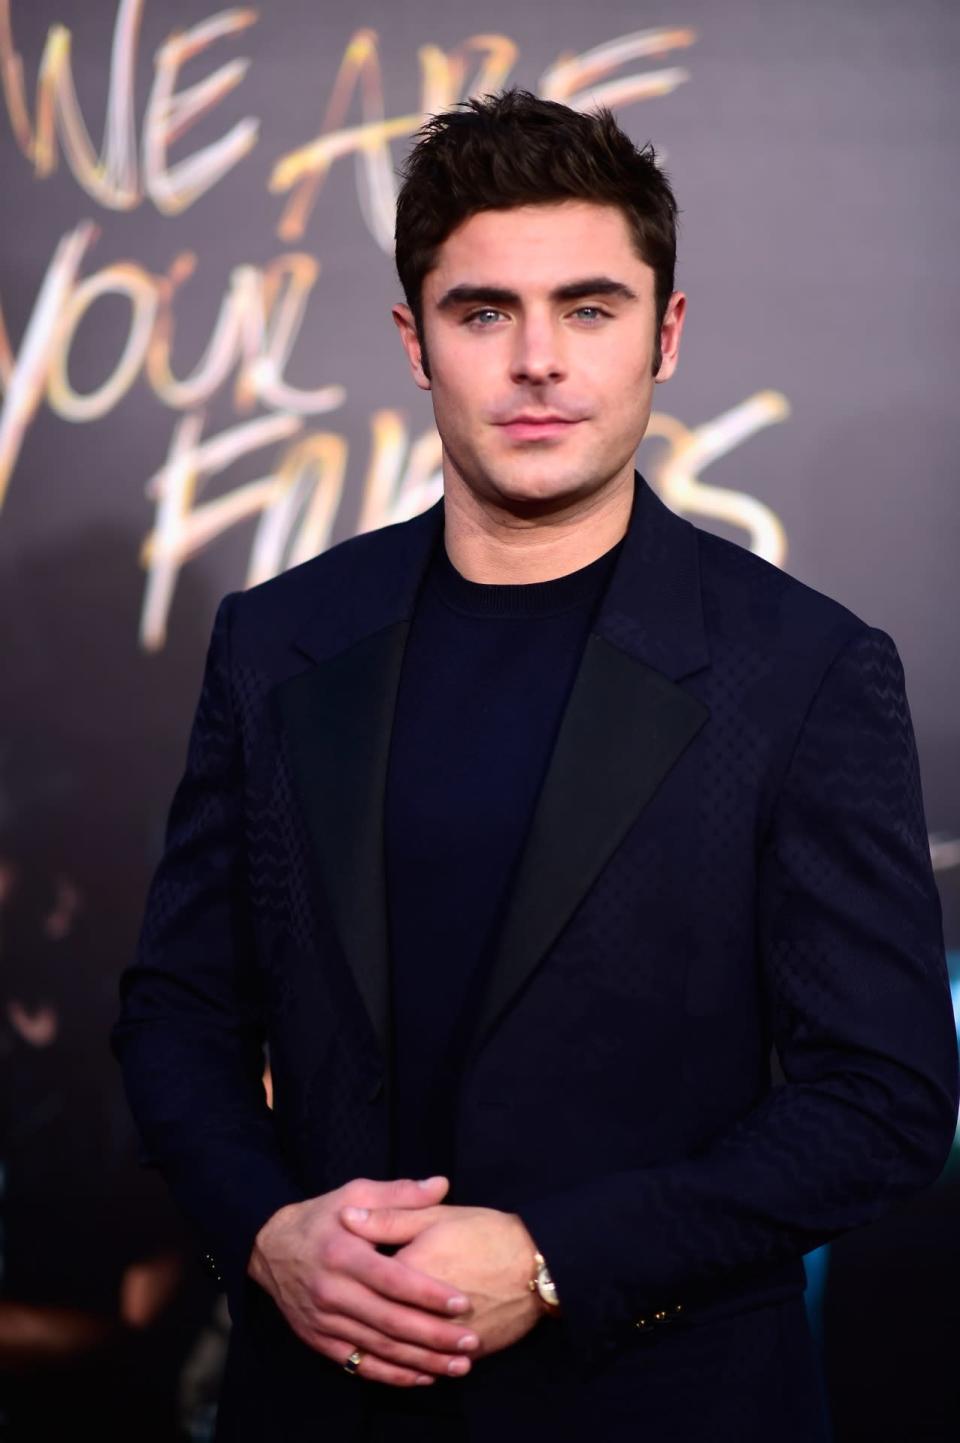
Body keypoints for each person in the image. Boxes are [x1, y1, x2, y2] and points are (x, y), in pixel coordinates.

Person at [111, 89, 959, 1443]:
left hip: (663, 1407)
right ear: (415, 340)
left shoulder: (805, 672)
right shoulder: (278, 644)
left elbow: (885, 1101)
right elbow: (177, 1014)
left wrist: (560, 1261)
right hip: (317, 1410)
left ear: (666, 334)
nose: (540, 361)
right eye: (484, 311)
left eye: (591, 307)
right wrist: (269, 1232)